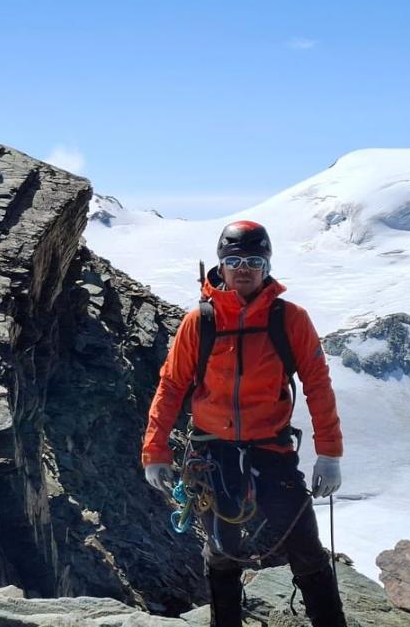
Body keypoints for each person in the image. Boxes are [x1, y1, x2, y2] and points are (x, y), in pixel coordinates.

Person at [142, 220, 346, 627]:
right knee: (221, 548)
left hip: (271, 448)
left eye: (254, 260)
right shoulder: (198, 323)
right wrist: (155, 450)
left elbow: (318, 385)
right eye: (234, 260)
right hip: (212, 452)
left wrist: (330, 454)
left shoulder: (291, 319)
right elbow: (172, 384)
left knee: (304, 544)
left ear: (267, 264)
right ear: (221, 264)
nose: (244, 269)